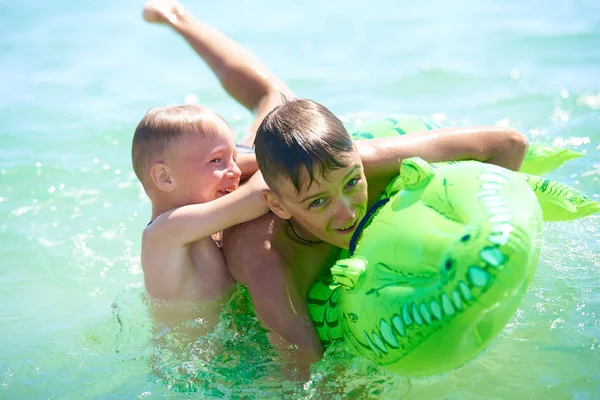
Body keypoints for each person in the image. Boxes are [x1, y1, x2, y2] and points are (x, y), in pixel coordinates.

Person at [142, 0, 529, 377]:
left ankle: (179, 16)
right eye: (319, 201)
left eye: (353, 182)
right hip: (255, 194)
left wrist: (489, 218)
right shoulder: (265, 263)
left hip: (272, 170)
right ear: (277, 205)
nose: (347, 213)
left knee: (274, 96)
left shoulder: (357, 158)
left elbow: (510, 144)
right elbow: (305, 375)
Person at [136, 0, 294, 334]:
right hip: (191, 371)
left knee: (277, 97)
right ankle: (174, 16)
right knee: (276, 99)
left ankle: (177, 17)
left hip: (224, 340)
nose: (234, 171)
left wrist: (230, 161)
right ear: (164, 177)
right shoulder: (165, 233)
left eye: (233, 160)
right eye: (217, 161)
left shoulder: (202, 207)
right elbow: (260, 192)